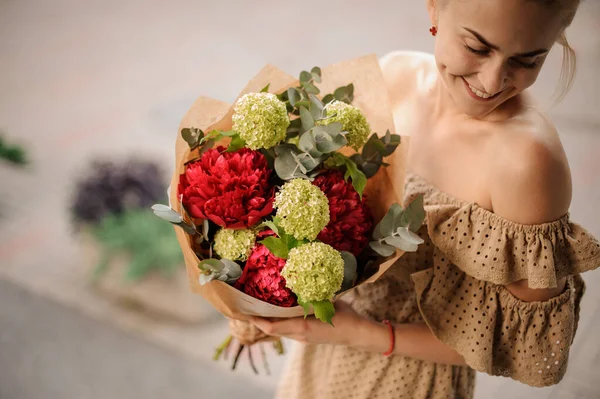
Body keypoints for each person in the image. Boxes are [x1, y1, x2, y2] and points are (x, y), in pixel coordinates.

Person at [251, 0, 600, 398]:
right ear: (434, 8)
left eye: (526, 61)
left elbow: (522, 347)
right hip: (322, 354)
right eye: (477, 47)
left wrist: (362, 334)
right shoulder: (395, 75)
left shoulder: (528, 163)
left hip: (411, 383)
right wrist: (259, 296)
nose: (492, 82)